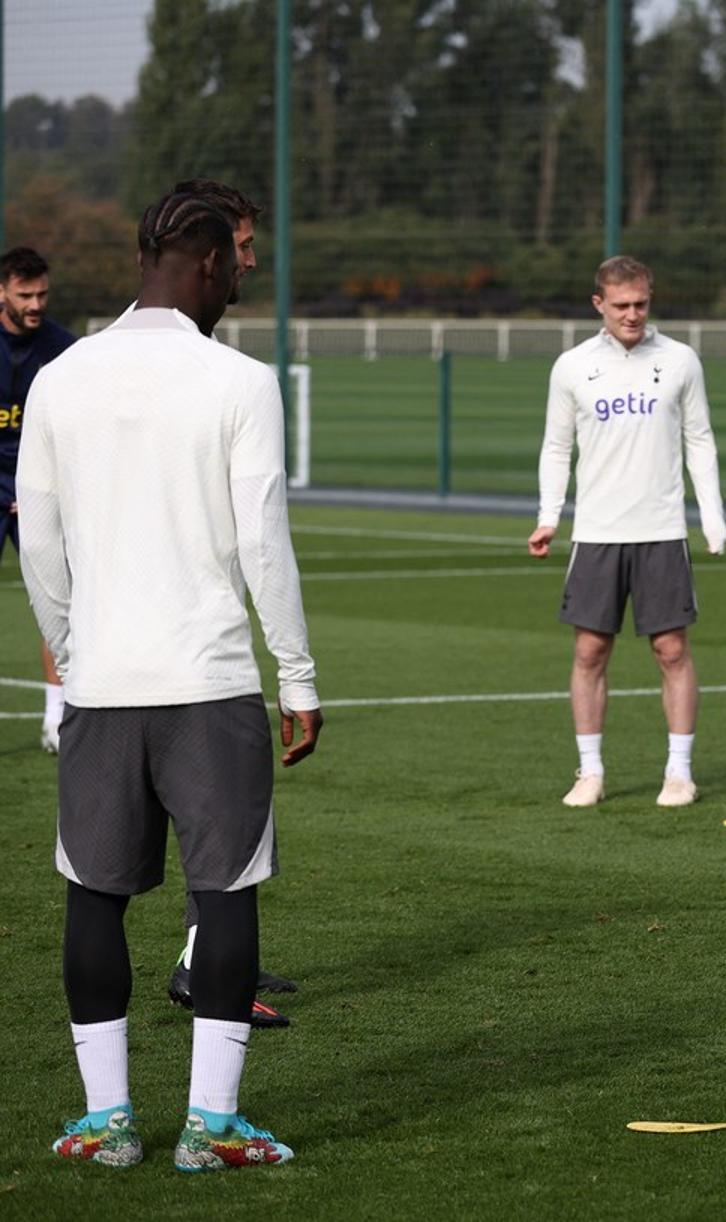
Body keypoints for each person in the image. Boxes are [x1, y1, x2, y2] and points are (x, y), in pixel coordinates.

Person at [19, 186, 321, 1170]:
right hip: (209, 684)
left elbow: (39, 540)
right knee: (227, 894)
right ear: (201, 265)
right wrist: (300, 676)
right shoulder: (239, 380)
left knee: (92, 897)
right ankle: (213, 1127)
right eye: (235, 263)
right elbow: (262, 544)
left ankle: (106, 1122)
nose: (242, 277)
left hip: (102, 684)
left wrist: (71, 646)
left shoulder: (63, 376)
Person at [145, 182, 300, 1029]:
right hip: (183, 642)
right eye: (239, 245)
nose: (250, 261)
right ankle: (207, 971)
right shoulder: (203, 370)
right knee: (216, 817)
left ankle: (209, 955)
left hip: (158, 639)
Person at [530, 256, 726, 808]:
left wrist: (711, 516)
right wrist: (550, 516)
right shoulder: (571, 367)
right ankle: (590, 772)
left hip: (662, 531)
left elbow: (701, 440)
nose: (632, 314)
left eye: (641, 303)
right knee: (590, 651)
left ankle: (680, 772)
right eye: (621, 305)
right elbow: (556, 447)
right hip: (596, 534)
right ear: (599, 304)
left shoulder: (681, 360)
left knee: (671, 649)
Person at [0, 246, 78, 753]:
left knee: (58, 602)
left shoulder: (64, 349)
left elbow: (73, 431)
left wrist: (42, 488)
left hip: (38, 492)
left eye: (42, 293)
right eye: (25, 294)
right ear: (1, 292)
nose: (35, 303)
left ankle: (57, 718)